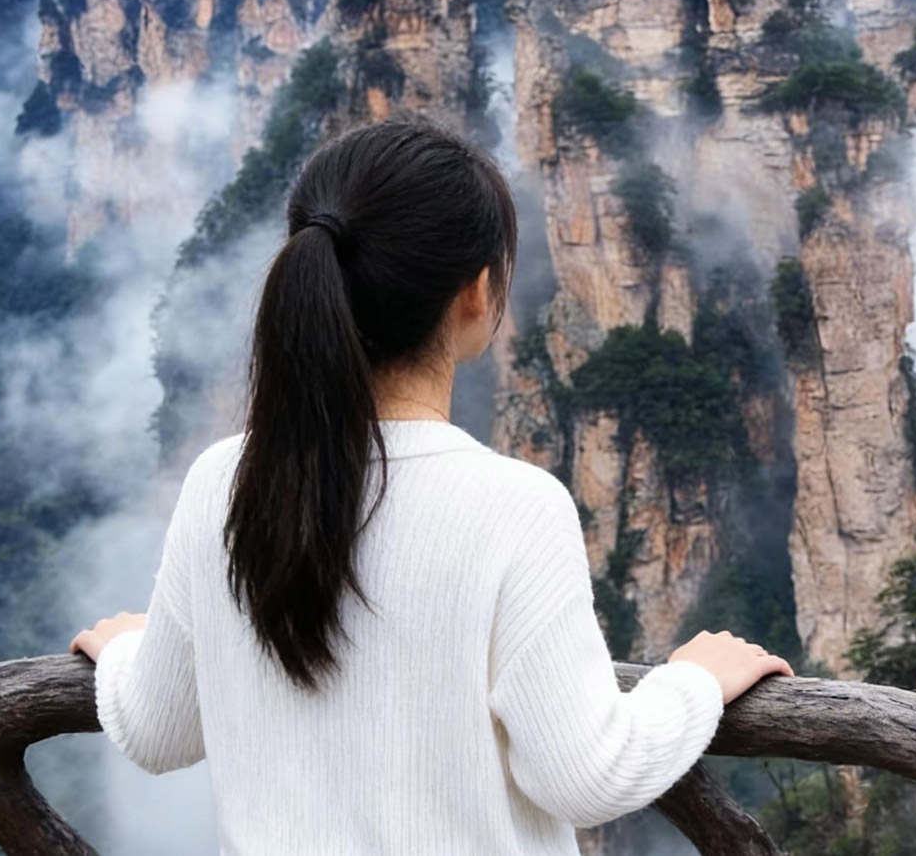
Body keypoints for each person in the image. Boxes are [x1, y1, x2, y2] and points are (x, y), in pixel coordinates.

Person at [71, 118, 791, 853]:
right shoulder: (515, 506)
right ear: (475, 291)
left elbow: (158, 731)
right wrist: (694, 681)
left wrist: (129, 648)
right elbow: (583, 776)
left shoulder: (222, 480)